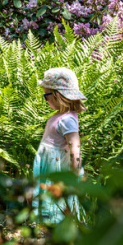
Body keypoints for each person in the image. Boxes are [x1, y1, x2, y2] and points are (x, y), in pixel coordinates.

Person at [32, 67, 85, 223]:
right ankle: (47, 220)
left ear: (57, 96)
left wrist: (74, 170)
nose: (45, 99)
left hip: (56, 165)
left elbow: (75, 145)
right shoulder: (60, 116)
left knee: (56, 194)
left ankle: (57, 222)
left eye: (46, 96)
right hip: (48, 162)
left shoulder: (67, 120)